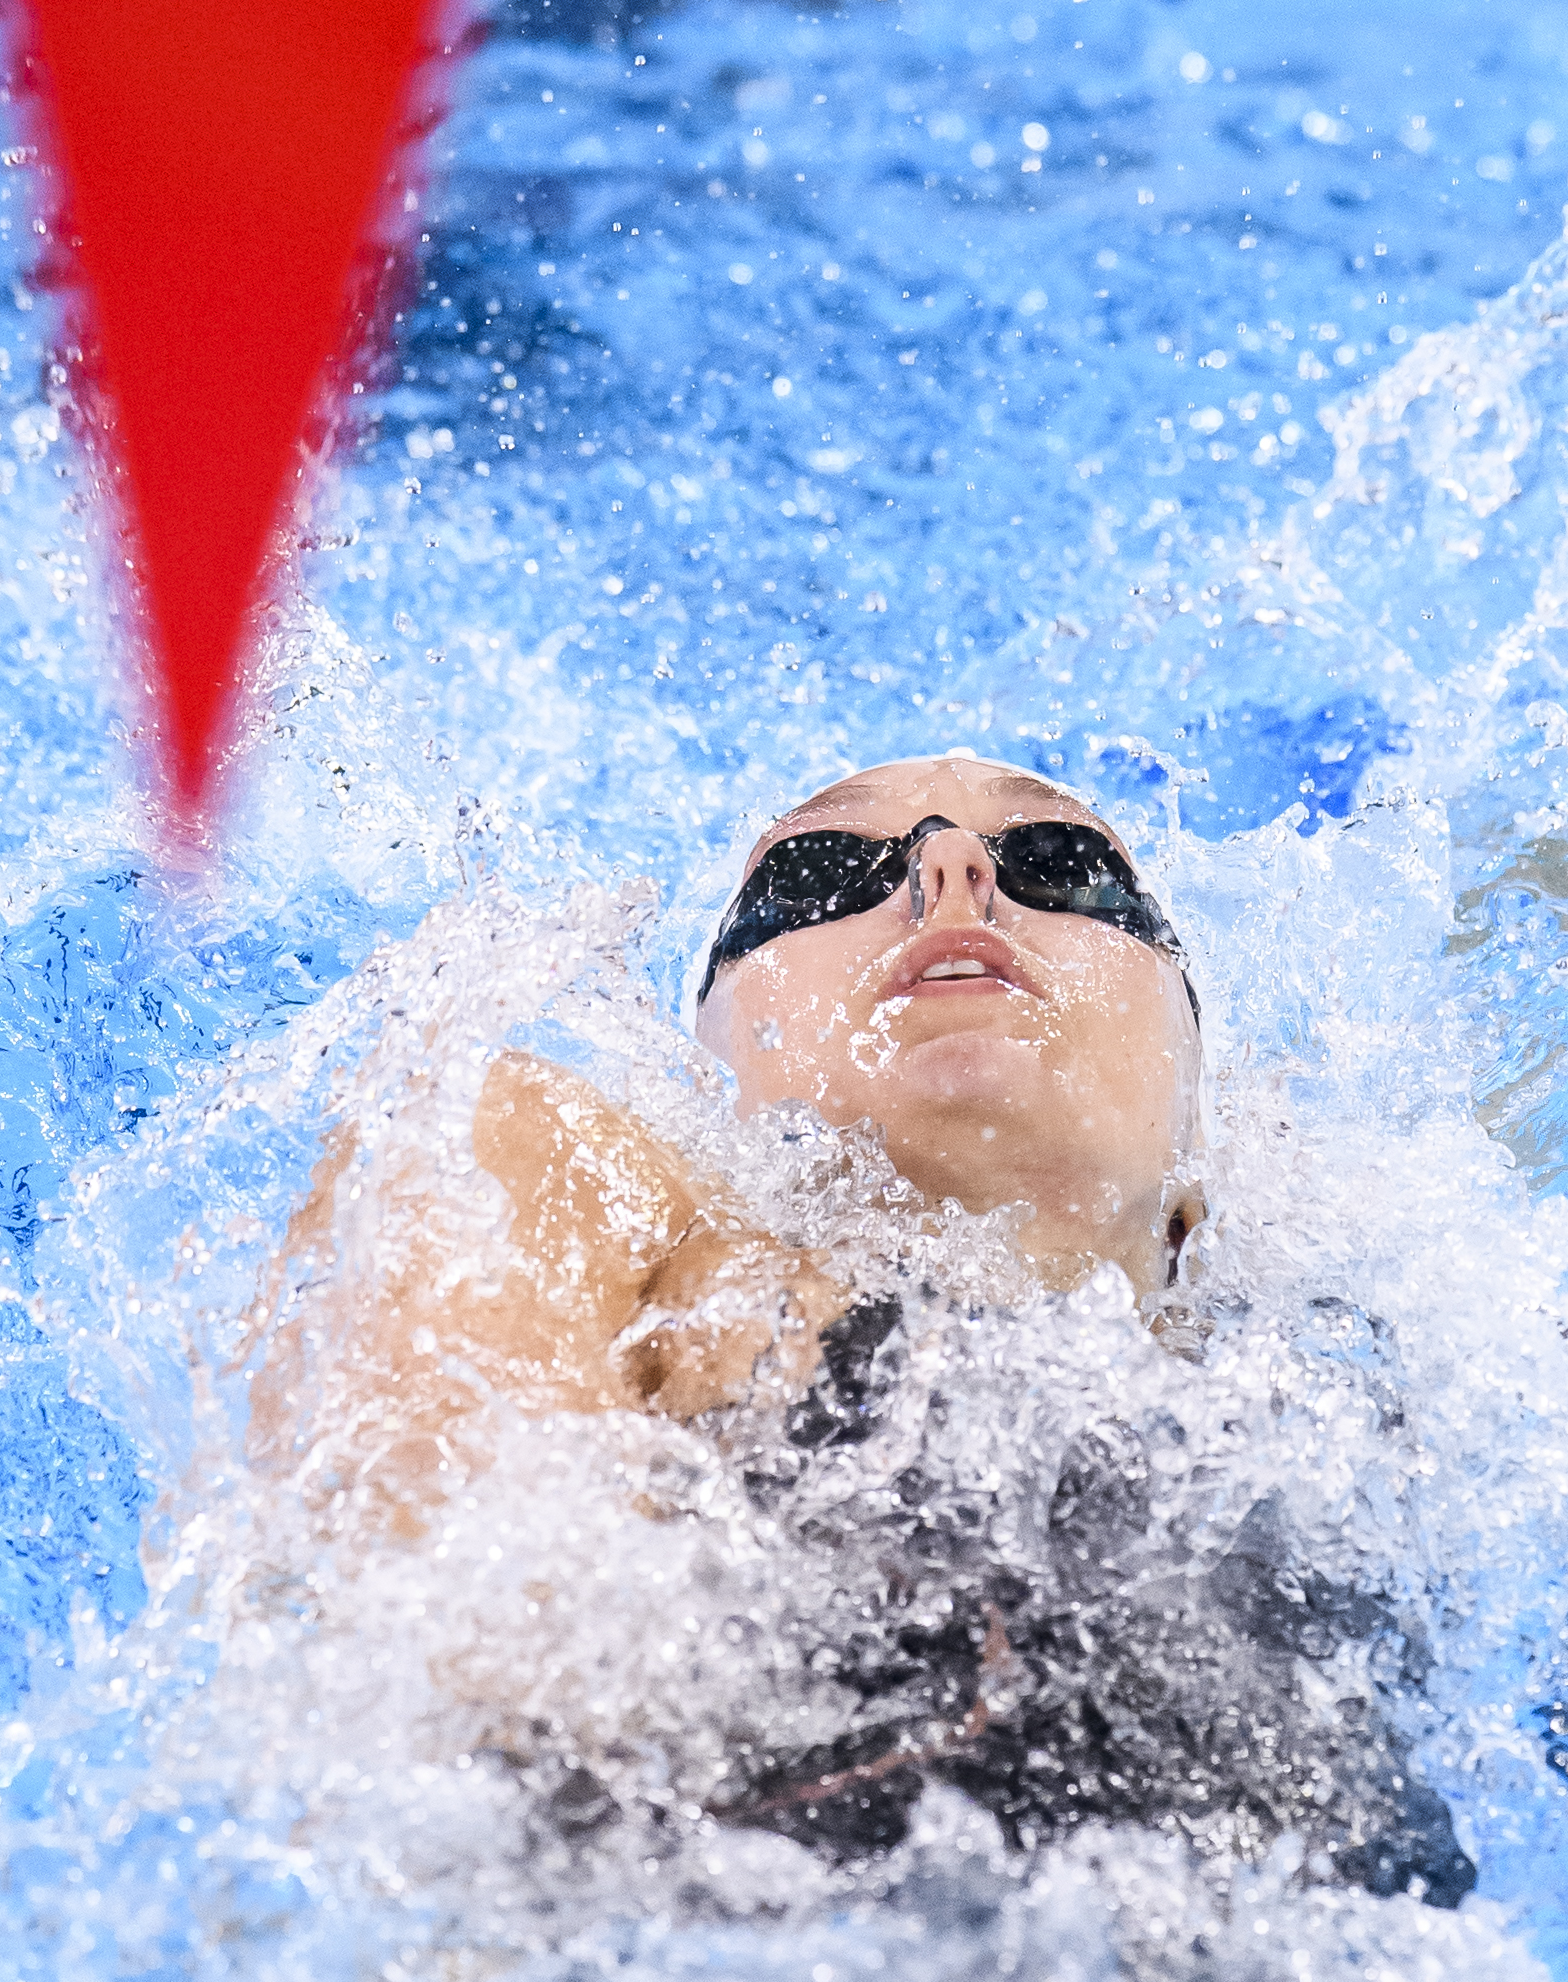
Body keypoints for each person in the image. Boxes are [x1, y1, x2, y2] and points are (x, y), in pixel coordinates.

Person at [250, 752, 1474, 1905]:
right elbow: (454, 1665)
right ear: (702, 1090)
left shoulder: (1358, 1354)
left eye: (1060, 862)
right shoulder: (554, 1167)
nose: (952, 871)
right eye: (818, 875)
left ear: (1201, 1150)